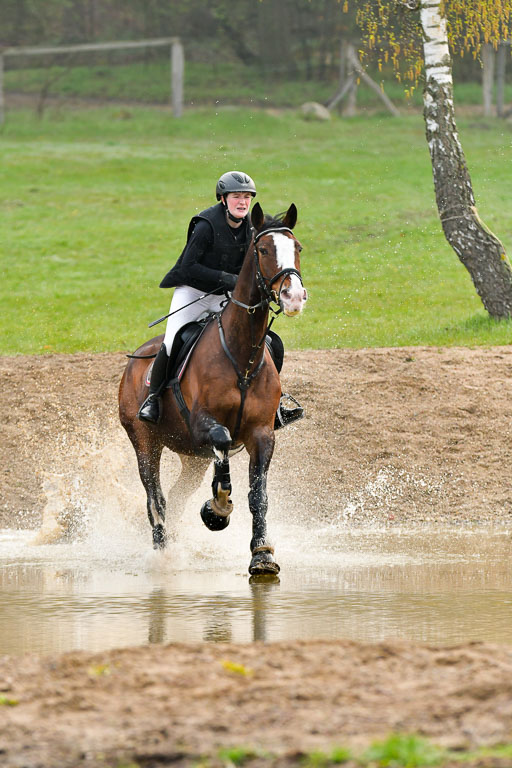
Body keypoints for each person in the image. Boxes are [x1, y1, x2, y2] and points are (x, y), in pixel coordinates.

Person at [138, 171, 303, 428]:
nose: (242, 202)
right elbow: (189, 267)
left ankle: (276, 403)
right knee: (172, 341)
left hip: (227, 296)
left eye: (247, 197)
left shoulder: (252, 230)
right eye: (236, 197)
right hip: (192, 291)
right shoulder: (206, 224)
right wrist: (227, 279)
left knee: (269, 342)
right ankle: (153, 398)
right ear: (223, 199)